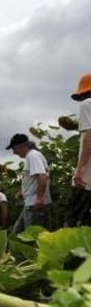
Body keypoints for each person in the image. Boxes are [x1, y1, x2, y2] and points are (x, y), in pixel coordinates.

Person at [6, 133, 52, 233]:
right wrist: (23, 192)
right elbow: (34, 179)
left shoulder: (32, 156)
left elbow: (42, 176)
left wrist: (39, 198)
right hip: (30, 202)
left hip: (34, 204)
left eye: (14, 149)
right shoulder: (33, 156)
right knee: (17, 232)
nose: (14, 153)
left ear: (20, 146)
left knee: (32, 236)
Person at [67, 73, 91, 226]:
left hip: (87, 179)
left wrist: (80, 168)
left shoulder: (88, 104)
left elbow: (90, 136)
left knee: (73, 222)